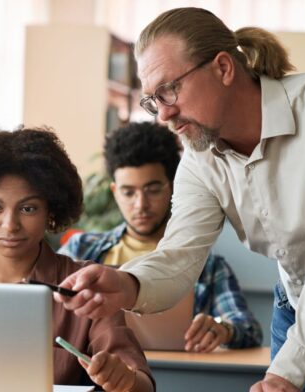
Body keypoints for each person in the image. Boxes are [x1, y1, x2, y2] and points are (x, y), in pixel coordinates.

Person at [55, 7, 305, 392]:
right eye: (152, 100)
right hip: (298, 313)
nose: (163, 115)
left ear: (223, 68)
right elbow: (180, 256)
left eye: (169, 90)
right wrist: (128, 283)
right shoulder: (200, 157)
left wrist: (285, 372)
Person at [0, 127, 155, 392]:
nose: (10, 225)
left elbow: (142, 384)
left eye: (28, 208)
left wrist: (125, 379)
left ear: (50, 210)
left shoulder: (85, 288)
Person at [59, 122, 262, 352]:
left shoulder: (207, 266)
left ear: (174, 187)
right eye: (128, 192)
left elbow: (248, 328)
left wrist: (221, 328)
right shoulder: (80, 251)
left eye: (153, 190)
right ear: (115, 192)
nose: (141, 205)